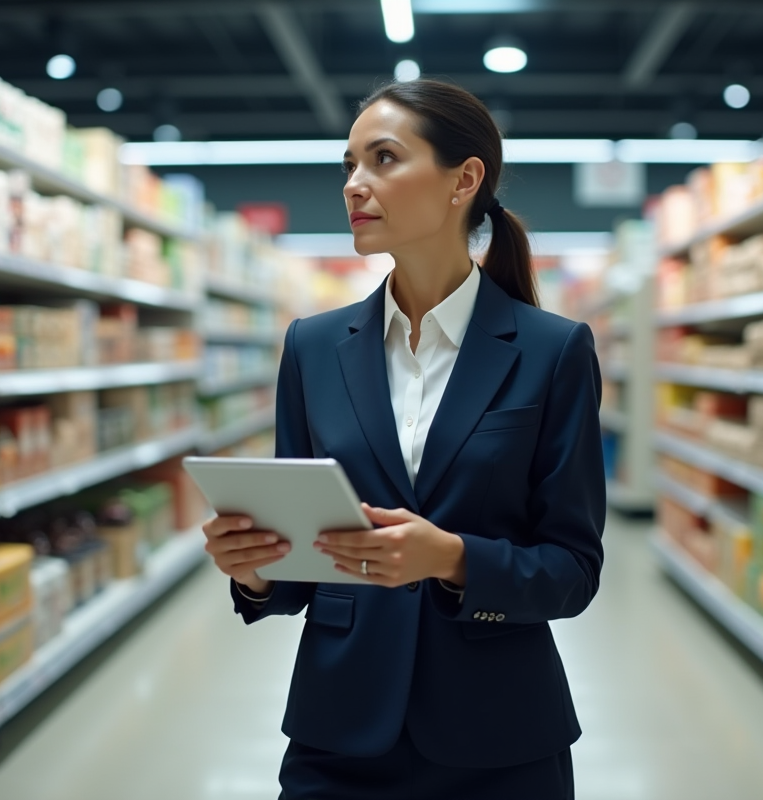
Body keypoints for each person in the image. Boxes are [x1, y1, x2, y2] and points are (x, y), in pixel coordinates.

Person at [202, 78, 605, 800]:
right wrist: (254, 569)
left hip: (499, 735)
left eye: (383, 159)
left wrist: (450, 558)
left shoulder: (552, 350)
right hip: (340, 731)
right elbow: (299, 565)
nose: (355, 185)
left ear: (464, 180)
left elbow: (572, 569)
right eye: (349, 164)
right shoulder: (314, 347)